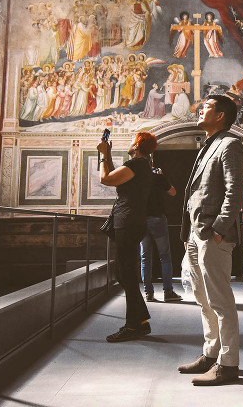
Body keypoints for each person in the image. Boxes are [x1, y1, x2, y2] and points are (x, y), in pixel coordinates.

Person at [177, 95, 243, 386]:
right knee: (202, 299)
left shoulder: (230, 145)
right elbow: (195, 194)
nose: (200, 109)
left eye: (206, 106)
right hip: (196, 233)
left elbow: (235, 192)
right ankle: (210, 353)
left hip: (213, 233)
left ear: (220, 115)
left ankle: (228, 365)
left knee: (220, 300)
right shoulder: (209, 144)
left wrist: (218, 228)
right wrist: (187, 234)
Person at [97, 132, 155, 342]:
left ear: (137, 145)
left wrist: (103, 156)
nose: (130, 142)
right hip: (132, 222)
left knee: (126, 274)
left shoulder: (138, 164)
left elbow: (106, 179)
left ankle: (133, 326)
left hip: (128, 223)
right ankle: (140, 321)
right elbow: (116, 176)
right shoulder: (141, 165)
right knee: (125, 273)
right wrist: (109, 154)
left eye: (133, 140)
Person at [140, 165, 182, 302]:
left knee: (145, 258)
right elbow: (173, 192)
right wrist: (162, 176)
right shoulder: (158, 177)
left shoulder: (137, 178)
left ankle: (148, 293)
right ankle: (168, 292)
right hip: (158, 219)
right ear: (150, 163)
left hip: (142, 220)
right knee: (164, 257)